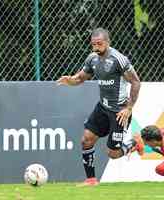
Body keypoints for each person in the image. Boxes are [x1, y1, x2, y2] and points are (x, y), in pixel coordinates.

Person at [57, 28, 143, 186]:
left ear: (107, 42)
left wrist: (129, 108)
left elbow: (136, 81)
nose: (96, 47)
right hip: (102, 107)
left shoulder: (119, 59)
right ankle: (91, 180)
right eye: (93, 44)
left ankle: (134, 143)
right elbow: (82, 77)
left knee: (113, 153)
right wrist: (71, 80)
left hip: (119, 111)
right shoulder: (92, 59)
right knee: (86, 140)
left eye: (99, 44)